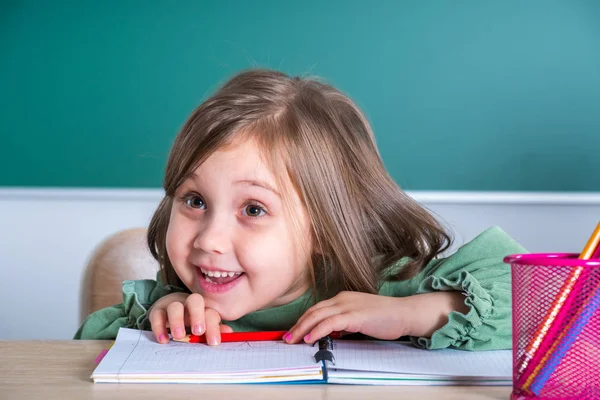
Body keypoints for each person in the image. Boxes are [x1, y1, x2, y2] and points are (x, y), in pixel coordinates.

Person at [75, 69, 526, 350]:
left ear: (326, 226)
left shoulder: (387, 286)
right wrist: (160, 317)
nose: (209, 240)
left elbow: (542, 306)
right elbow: (71, 360)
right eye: (194, 201)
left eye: (253, 209)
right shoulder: (172, 302)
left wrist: (411, 315)